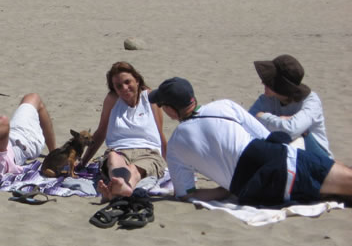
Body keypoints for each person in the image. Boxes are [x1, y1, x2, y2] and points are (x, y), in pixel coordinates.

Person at [149, 77, 352, 205]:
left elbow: (185, 195)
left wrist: (223, 191)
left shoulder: (175, 146)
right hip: (280, 163)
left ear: (170, 110)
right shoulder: (224, 106)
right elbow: (267, 137)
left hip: (254, 192)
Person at [80, 62, 167, 202]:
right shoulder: (112, 100)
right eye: (119, 86)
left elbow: (160, 135)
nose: (125, 88)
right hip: (119, 150)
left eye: (127, 82)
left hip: (148, 151)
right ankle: (120, 186)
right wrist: (83, 162)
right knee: (113, 158)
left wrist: (171, 166)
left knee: (134, 169)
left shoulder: (150, 98)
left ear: (137, 80)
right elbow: (101, 131)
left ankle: (118, 190)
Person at [249, 54, 333, 160]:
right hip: (290, 157)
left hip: (319, 158)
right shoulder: (266, 99)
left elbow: (291, 130)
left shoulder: (311, 101)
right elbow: (248, 120)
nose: (262, 83)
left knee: (301, 135)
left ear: (281, 86)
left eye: (268, 81)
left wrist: (262, 116)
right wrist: (281, 120)